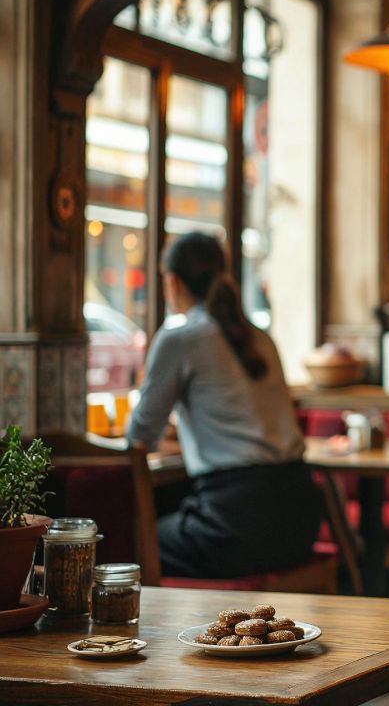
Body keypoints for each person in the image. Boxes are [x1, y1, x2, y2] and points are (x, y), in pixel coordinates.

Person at [125, 232, 321, 579]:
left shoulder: (178, 338)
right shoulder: (260, 337)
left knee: (124, 543)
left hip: (237, 525)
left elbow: (139, 435)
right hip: (300, 519)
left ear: (172, 283)